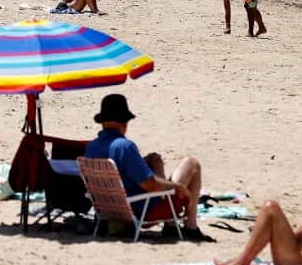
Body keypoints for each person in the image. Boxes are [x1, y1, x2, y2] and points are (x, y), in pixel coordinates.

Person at [83, 94, 209, 241]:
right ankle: (190, 227)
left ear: (102, 123)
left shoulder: (91, 148)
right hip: (143, 210)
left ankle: (172, 226)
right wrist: (178, 187)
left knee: (156, 162)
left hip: (110, 210)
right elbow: (150, 185)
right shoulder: (125, 147)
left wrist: (148, 163)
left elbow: (118, 170)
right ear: (124, 123)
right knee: (191, 164)